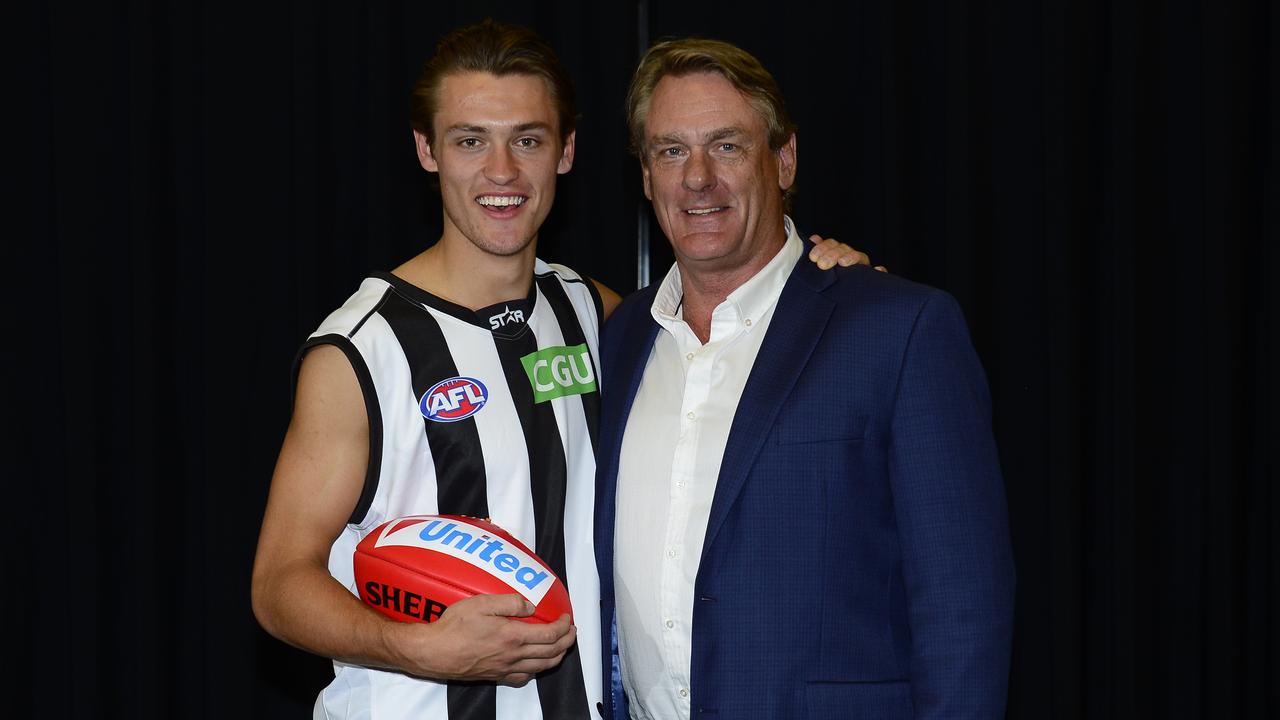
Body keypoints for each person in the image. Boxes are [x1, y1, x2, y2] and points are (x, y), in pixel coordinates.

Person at [250, 20, 869, 720]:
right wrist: (422, 649)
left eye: (528, 140)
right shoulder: (361, 349)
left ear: (566, 152)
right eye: (470, 140)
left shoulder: (593, 311)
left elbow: (726, 326)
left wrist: (825, 284)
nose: (503, 172)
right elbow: (277, 584)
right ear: (427, 151)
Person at [594, 38, 1016, 719]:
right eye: (671, 150)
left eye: (727, 146)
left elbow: (962, 606)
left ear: (783, 160)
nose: (697, 177)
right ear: (646, 176)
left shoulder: (898, 330)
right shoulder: (622, 340)